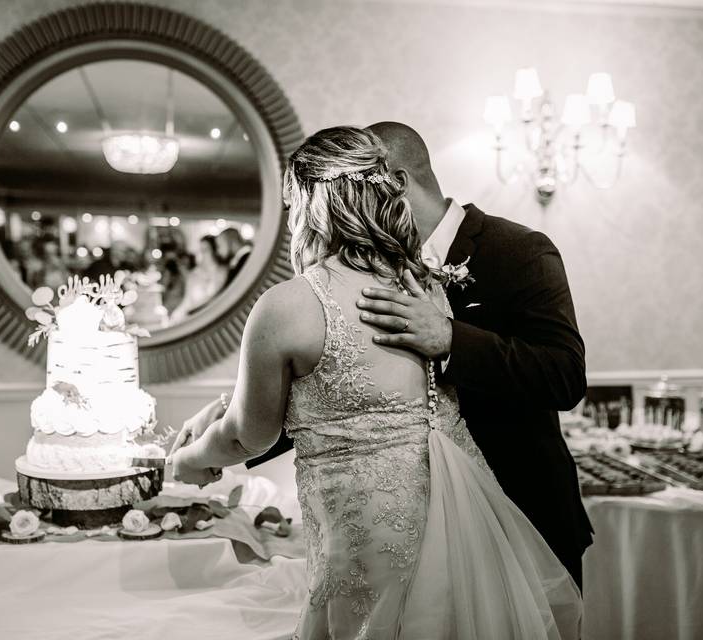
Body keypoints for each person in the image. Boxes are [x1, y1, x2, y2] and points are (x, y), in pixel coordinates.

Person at [168, 126, 582, 639]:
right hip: (407, 523)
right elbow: (351, 398)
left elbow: (565, 376)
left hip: (513, 515)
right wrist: (235, 410)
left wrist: (451, 337)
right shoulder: (415, 282)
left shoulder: (516, 251)